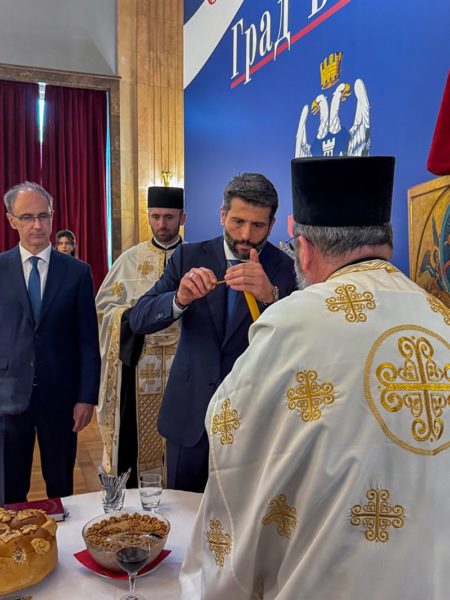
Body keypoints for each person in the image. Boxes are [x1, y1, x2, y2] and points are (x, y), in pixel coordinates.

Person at [179, 156, 450, 600]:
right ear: (387, 239)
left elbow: (231, 433)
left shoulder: (292, 323)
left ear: (303, 249)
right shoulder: (440, 317)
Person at [129, 173, 297, 492]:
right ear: (222, 215)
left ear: (272, 224)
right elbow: (138, 319)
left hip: (254, 424)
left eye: (257, 225)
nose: (246, 235)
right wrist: (179, 299)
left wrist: (271, 298)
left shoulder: (287, 269)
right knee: (182, 511)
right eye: (238, 222)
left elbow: (299, 343)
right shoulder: (187, 257)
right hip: (189, 417)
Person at [0, 181, 100, 503]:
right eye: (27, 217)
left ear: (52, 216)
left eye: (43, 216)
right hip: (8, 396)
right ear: (11, 220)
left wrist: (86, 398)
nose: (37, 225)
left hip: (61, 399)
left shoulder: (77, 273)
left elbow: (88, 341)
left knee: (61, 488)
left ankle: (61, 534)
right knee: (10, 490)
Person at [95, 186, 186, 487]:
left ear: (182, 218)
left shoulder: (195, 258)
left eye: (169, 217)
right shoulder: (130, 260)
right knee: (137, 441)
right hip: (138, 370)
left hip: (183, 368)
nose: (162, 224)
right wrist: (130, 316)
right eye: (155, 217)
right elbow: (103, 309)